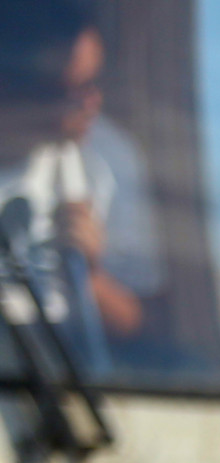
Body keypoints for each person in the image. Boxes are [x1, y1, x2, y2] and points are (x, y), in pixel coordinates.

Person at [0, 5, 158, 358]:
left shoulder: (108, 162)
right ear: (12, 86)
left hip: (55, 392)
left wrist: (89, 274)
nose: (94, 104)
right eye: (76, 90)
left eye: (98, 84)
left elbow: (140, 328)